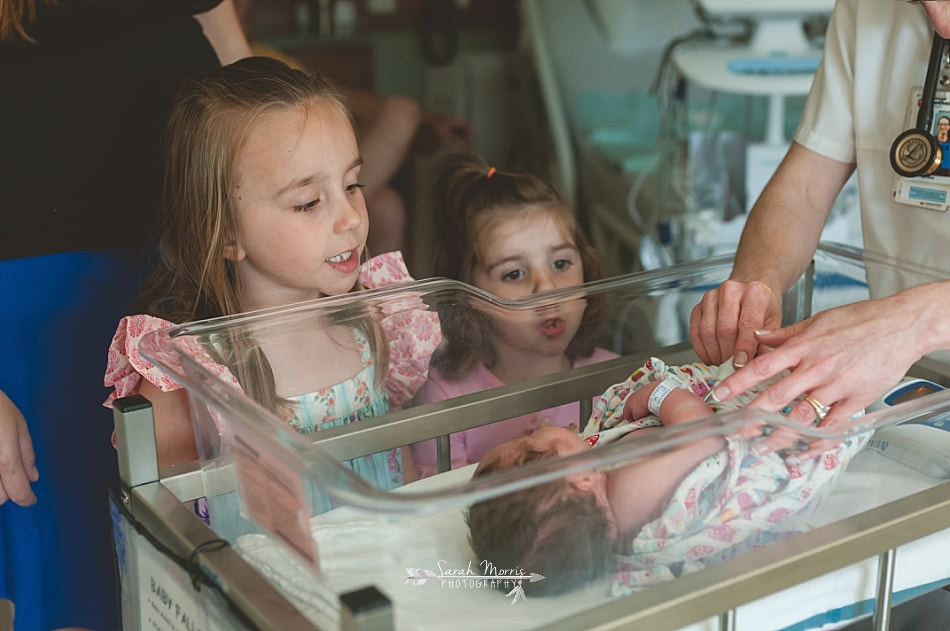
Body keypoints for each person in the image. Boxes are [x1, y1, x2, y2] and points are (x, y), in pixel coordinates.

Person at [0, 1, 250, 629]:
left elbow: (261, 127)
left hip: (187, 315)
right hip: (32, 355)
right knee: (81, 598)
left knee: (201, 591)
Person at [103, 57, 441, 493]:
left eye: (352, 185)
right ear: (224, 233)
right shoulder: (192, 380)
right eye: (307, 203)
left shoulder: (376, 324)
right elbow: (173, 539)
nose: (352, 219)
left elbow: (403, 475)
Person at [688, 0, 950, 435]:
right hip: (906, 379)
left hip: (902, 343)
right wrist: (758, 285)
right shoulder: (866, 9)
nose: (940, 18)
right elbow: (803, 190)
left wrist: (915, 320)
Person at [467, 357, 869, 597]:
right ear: (580, 480)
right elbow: (704, 438)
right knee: (813, 387)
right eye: (535, 440)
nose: (532, 432)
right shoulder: (629, 489)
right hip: (791, 448)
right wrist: (661, 395)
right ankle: (864, 393)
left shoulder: (605, 496)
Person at [409, 151, 616, 477]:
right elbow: (443, 518)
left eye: (561, 264)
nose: (548, 289)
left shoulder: (614, 380)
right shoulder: (444, 403)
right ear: (469, 296)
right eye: (515, 274)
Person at [232, 0, 474, 256]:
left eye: (351, 187)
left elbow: (336, 96)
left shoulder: (267, 56)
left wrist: (430, 120)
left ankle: (382, 292)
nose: (241, 6)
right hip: (287, 171)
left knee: (387, 207)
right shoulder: (229, 75)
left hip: (316, 161)